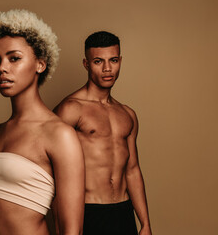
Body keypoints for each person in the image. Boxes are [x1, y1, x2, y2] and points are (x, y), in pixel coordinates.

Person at [0, 9, 85, 235]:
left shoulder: (59, 134)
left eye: (14, 58)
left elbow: (71, 229)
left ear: (40, 65)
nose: (2, 68)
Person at [54, 31, 152, 235]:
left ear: (120, 61)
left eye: (113, 60)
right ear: (86, 64)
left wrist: (145, 223)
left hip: (124, 212)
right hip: (87, 212)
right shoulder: (71, 109)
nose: (108, 69)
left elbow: (132, 170)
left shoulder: (127, 114)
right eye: (98, 61)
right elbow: (53, 177)